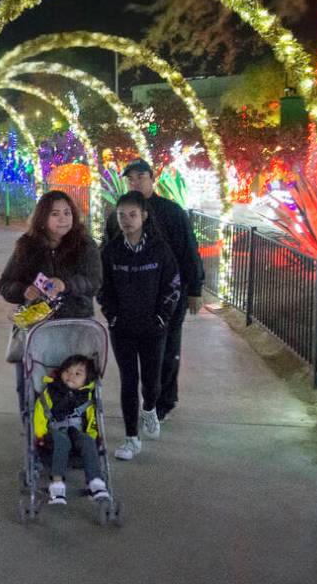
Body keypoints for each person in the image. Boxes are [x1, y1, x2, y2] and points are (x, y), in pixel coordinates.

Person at [104, 159, 203, 424]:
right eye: (131, 179)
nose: (135, 182)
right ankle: (146, 402)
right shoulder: (119, 217)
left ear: (152, 178)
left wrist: (194, 288)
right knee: (139, 358)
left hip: (168, 297)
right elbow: (108, 254)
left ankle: (164, 401)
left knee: (167, 351)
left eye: (140, 177)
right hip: (131, 300)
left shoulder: (171, 212)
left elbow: (188, 251)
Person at [99, 191, 181, 461]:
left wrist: (161, 318)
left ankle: (150, 409)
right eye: (121, 215)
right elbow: (103, 289)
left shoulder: (160, 249)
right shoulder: (111, 252)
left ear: (144, 216)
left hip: (152, 330)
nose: (126, 220)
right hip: (121, 329)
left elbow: (172, 286)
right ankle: (131, 438)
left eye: (132, 215)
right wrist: (111, 316)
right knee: (128, 381)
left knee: (151, 381)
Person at [0, 189, 102, 319]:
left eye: (67, 213)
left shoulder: (85, 244)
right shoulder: (27, 245)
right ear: (42, 218)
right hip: (36, 322)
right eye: (55, 214)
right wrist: (24, 291)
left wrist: (65, 285)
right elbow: (5, 284)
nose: (63, 219)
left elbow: (94, 282)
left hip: (77, 322)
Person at [31, 354, 109, 505]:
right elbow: (40, 412)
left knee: (87, 440)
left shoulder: (87, 396)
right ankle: (57, 483)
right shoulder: (51, 391)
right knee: (62, 439)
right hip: (53, 433)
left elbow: (93, 419)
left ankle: (95, 481)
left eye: (77, 373)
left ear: (87, 379)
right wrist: (39, 434)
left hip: (77, 432)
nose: (70, 376)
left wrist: (93, 435)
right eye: (67, 371)